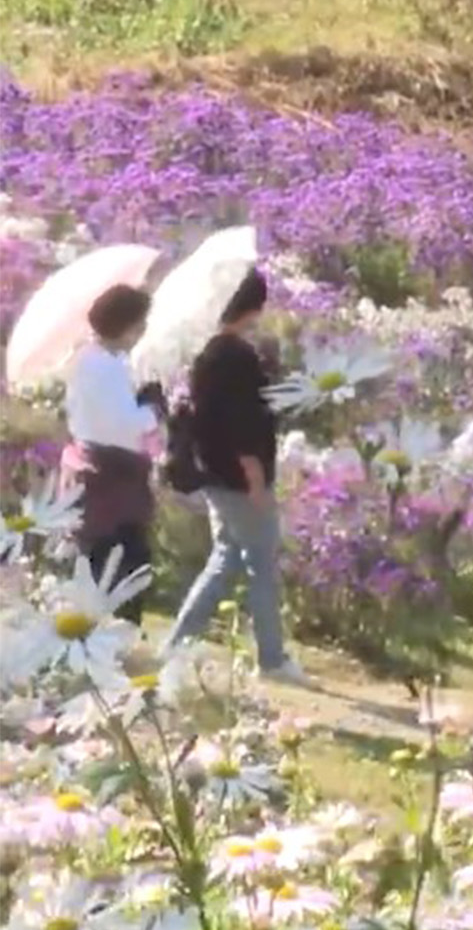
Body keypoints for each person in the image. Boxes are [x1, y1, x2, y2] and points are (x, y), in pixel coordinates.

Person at [163, 269, 311, 687]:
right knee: (261, 566)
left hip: (214, 475)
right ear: (252, 306)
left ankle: (177, 643)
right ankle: (272, 659)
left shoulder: (207, 355)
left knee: (224, 561)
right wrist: (257, 482)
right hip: (239, 479)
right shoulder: (238, 359)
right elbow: (243, 427)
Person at [64, 284, 165, 624]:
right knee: (123, 560)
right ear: (124, 324)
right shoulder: (103, 366)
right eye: (139, 324)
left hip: (97, 466)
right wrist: (153, 409)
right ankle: (115, 630)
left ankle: (102, 625)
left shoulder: (91, 359)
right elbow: (123, 425)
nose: (142, 332)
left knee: (103, 554)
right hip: (112, 471)